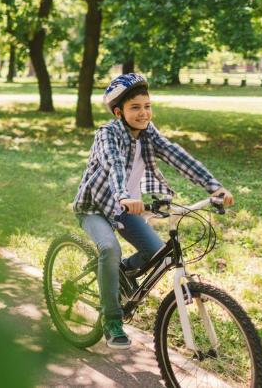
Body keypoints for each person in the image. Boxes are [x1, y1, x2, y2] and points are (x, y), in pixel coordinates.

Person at [73, 73, 234, 349]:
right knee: (110, 249)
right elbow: (113, 165)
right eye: (135, 107)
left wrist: (213, 187)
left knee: (158, 254)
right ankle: (112, 320)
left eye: (147, 106)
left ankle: (118, 273)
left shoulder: (149, 133)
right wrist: (124, 196)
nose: (143, 113)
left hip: (124, 208)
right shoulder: (106, 134)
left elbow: (177, 155)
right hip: (96, 207)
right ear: (118, 111)